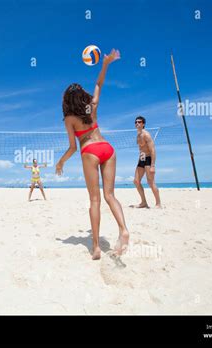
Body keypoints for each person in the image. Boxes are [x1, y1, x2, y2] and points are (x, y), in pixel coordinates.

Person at [55, 48, 129, 260]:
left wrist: (61, 162)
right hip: (108, 148)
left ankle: (96, 247)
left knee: (95, 200)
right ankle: (123, 229)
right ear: (82, 97)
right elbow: (98, 84)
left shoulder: (70, 118)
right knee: (110, 195)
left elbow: (72, 148)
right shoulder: (92, 106)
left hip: (90, 150)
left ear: (67, 101)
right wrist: (106, 63)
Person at [133, 116, 162, 208]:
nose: (137, 123)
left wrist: (153, 165)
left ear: (143, 124)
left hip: (148, 159)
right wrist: (139, 160)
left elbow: (153, 150)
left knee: (151, 182)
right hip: (141, 159)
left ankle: (158, 203)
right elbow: (141, 149)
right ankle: (144, 202)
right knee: (136, 181)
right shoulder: (138, 135)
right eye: (136, 122)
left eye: (139, 122)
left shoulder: (146, 135)